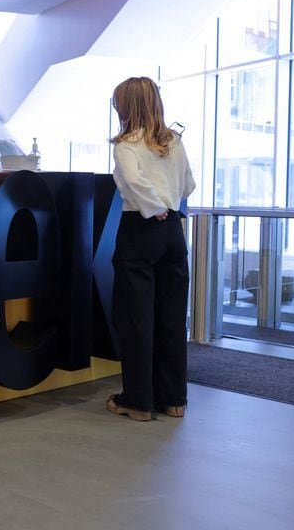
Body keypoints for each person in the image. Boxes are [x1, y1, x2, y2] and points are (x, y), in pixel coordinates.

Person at [105, 76, 195, 422]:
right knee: (172, 316)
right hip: (174, 230)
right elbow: (189, 183)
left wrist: (153, 208)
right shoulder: (173, 140)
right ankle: (174, 400)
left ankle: (138, 401)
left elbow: (133, 181)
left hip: (141, 229)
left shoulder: (126, 144)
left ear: (126, 106)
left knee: (136, 317)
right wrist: (167, 206)